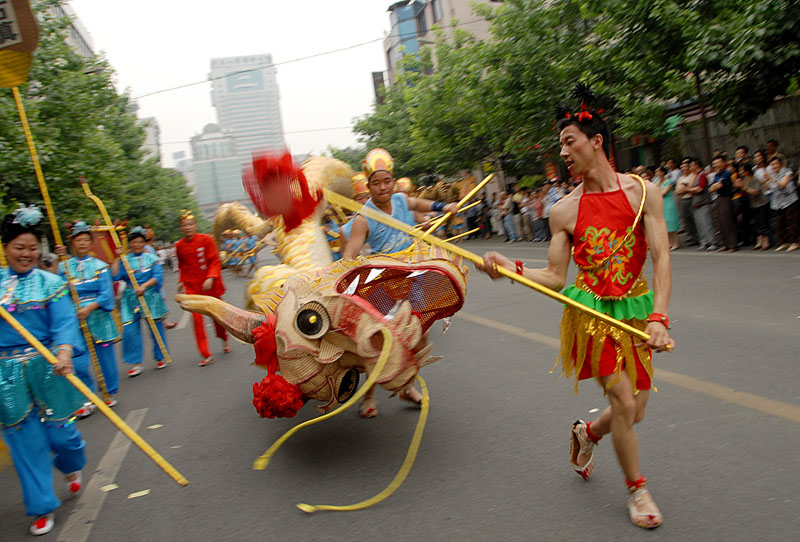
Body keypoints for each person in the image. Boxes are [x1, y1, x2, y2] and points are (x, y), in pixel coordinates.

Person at [478, 91, 674, 530]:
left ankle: (588, 432)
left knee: (634, 411)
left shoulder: (646, 194)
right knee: (622, 400)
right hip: (592, 316)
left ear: (597, 141)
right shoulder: (563, 211)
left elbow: (661, 256)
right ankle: (637, 490)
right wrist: (510, 268)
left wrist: (659, 317)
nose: (563, 152)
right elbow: (554, 277)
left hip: (638, 311)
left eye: (570, 141)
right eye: (562, 145)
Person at [343, 148, 457, 418]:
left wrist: (445, 207)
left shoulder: (402, 201)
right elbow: (348, 256)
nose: (382, 188)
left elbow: (422, 205)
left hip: (413, 280)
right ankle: (368, 397)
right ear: (369, 186)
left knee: (420, 335)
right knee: (379, 343)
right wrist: (354, 266)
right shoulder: (363, 218)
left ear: (393, 181)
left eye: (386, 181)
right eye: (376, 183)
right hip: (383, 286)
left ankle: (406, 386)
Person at [0, 205, 86, 536]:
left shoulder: (52, 282)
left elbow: (65, 322)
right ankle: (41, 505)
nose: (26, 254)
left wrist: (64, 352)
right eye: (18, 248)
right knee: (25, 441)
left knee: (62, 435)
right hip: (7, 373)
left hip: (49, 366)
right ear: (6, 248)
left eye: (32, 247)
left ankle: (71, 466)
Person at [55, 221, 121, 414]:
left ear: (91, 243)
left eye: (85, 240)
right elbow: (58, 292)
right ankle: (86, 398)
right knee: (78, 359)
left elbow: (107, 294)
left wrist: (90, 307)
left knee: (105, 357)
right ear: (72, 244)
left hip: (97, 315)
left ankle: (108, 393)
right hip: (74, 317)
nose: (82, 244)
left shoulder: (100, 267)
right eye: (78, 240)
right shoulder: (64, 267)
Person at [112, 226, 169, 376]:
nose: (137, 244)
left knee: (155, 328)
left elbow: (158, 277)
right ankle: (136, 363)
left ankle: (160, 356)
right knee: (130, 331)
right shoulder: (125, 260)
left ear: (145, 243)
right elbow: (115, 276)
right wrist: (117, 257)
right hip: (130, 298)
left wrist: (144, 286)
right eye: (134, 242)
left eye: (140, 242)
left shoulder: (152, 258)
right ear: (130, 244)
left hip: (149, 295)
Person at [175, 210, 230, 366]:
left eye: (190, 224)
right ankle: (205, 354)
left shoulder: (207, 240)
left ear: (195, 225)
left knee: (217, 316)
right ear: (181, 228)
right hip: (192, 286)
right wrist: (181, 281)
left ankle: (224, 339)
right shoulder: (178, 246)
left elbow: (214, 261)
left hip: (209, 286)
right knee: (197, 320)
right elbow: (182, 266)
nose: (187, 227)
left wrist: (211, 277)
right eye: (184, 225)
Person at [765, 155, 799, 252]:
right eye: (772, 164)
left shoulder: (787, 171)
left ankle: (794, 242)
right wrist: (766, 181)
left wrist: (772, 179)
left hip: (789, 200)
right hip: (777, 201)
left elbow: (783, 185)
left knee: (791, 221)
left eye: (776, 163)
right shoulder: (771, 173)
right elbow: (767, 188)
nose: (774, 166)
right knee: (780, 223)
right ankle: (783, 242)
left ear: (780, 164)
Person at [686, 157, 718, 251]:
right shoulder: (695, 176)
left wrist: (687, 189)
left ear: (696, 165)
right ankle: (704, 242)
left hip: (703, 202)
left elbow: (699, 188)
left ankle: (712, 242)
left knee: (707, 224)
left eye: (692, 165)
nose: (690, 167)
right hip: (696, 203)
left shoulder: (702, 175)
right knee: (700, 225)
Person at [708, 155, 738, 251]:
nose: (717, 165)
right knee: (720, 222)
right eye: (715, 163)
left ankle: (733, 244)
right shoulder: (716, 175)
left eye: (719, 163)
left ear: (724, 163)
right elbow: (711, 188)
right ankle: (725, 243)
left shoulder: (726, 173)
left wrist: (716, 186)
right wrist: (715, 186)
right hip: (719, 198)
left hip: (726, 198)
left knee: (727, 221)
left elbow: (719, 186)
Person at [740, 162, 770, 250]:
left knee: (762, 222)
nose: (740, 171)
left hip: (761, 203)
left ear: (747, 171)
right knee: (756, 223)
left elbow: (756, 192)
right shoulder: (744, 179)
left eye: (742, 170)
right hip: (753, 204)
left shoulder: (755, 179)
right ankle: (759, 240)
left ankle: (766, 240)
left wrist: (744, 187)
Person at [654, 167, 680, 249]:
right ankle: (669, 242)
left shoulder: (668, 181)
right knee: (665, 223)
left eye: (658, 171)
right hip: (661, 203)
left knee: (671, 222)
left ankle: (675, 242)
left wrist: (657, 192)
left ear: (663, 172)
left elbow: (664, 192)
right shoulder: (657, 182)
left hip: (668, 202)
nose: (657, 173)